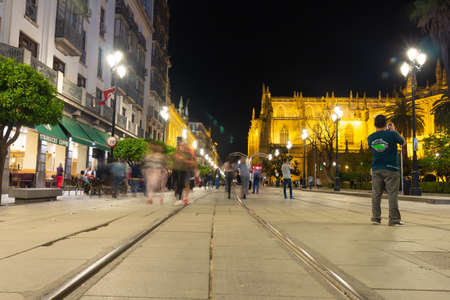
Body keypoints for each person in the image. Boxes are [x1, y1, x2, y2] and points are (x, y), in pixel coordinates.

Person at [368, 115, 405, 226]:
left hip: (376, 168)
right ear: (386, 124)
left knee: (376, 194)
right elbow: (403, 142)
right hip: (391, 168)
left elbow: (378, 149)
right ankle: (394, 220)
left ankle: (375, 218)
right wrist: (394, 130)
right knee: (392, 194)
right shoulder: (392, 134)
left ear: (374, 124)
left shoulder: (370, 138)